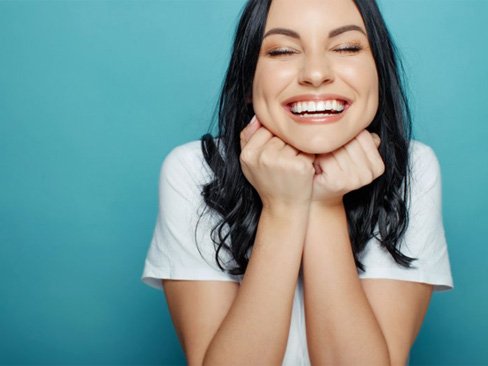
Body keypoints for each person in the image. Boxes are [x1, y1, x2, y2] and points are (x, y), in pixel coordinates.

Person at [142, 0, 453, 364]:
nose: (316, 73)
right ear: (247, 81)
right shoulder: (195, 170)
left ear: (379, 72)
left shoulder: (412, 168)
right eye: (283, 50)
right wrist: (284, 209)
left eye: (347, 47)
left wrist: (324, 204)